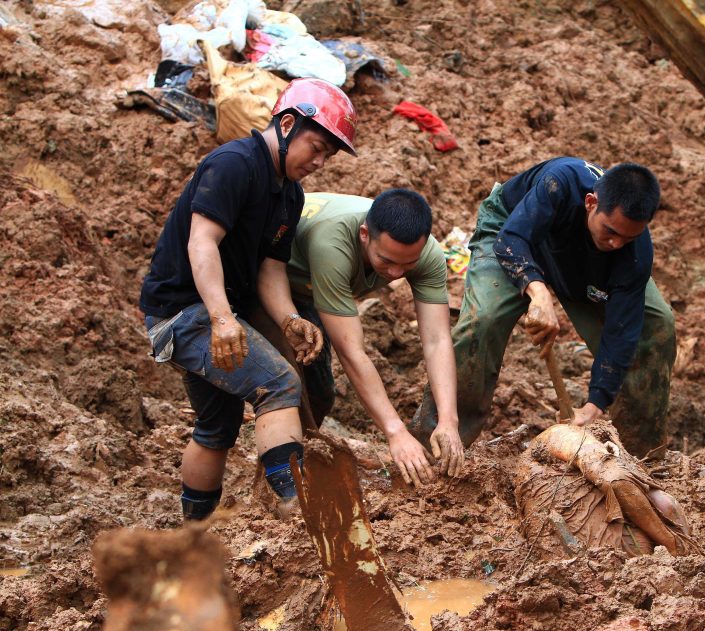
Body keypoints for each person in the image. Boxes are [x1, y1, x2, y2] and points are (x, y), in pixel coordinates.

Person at [139, 78, 357, 521]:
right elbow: (202, 242)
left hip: (212, 312)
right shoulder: (234, 164)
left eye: (327, 156)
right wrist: (221, 319)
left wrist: (290, 318)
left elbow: (270, 268)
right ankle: (300, 509)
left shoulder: (289, 194)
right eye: (315, 148)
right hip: (184, 312)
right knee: (278, 385)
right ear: (288, 123)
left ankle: (194, 537)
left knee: (216, 428)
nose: (318, 161)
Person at [412, 157, 676, 458]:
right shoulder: (559, 182)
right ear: (591, 202)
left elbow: (622, 332)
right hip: (512, 230)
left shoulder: (633, 252)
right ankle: (434, 444)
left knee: (654, 327)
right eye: (611, 231)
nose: (617, 243)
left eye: (628, 237)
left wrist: (593, 406)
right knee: (483, 320)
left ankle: (639, 458)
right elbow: (512, 239)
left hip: (583, 261)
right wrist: (538, 292)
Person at [285, 189, 464, 487]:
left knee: (318, 393)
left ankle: (303, 460)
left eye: (407, 264)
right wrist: (395, 433)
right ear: (365, 234)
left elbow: (437, 340)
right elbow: (351, 351)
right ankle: (281, 477)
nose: (395, 273)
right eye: (386, 260)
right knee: (286, 387)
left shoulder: (428, 254)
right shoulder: (332, 244)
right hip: (272, 278)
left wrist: (449, 420)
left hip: (315, 290)